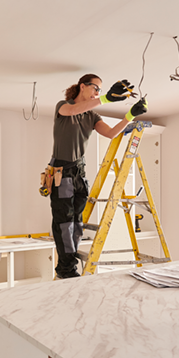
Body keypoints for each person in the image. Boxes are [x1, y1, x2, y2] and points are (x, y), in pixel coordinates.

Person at [49, 74, 147, 279]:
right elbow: (74, 109)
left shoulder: (92, 116)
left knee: (77, 222)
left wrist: (130, 115)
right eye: (95, 88)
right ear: (82, 86)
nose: (97, 92)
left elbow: (111, 133)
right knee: (64, 222)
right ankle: (66, 270)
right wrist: (106, 99)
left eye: (100, 91)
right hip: (62, 172)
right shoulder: (64, 106)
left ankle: (67, 266)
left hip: (79, 173)